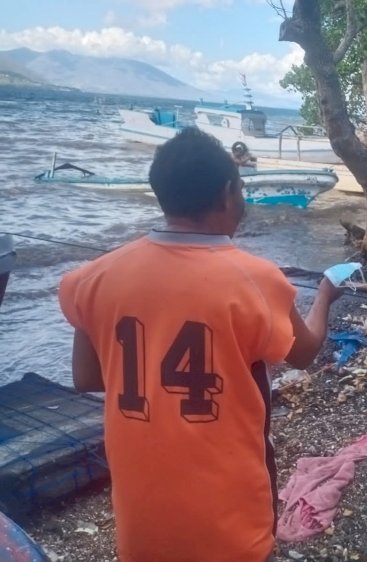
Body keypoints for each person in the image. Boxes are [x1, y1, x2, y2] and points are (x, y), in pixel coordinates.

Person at [58, 127, 342, 562]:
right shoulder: (255, 279)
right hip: (230, 517)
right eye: (242, 188)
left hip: (142, 520)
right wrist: (324, 294)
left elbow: (87, 377)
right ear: (229, 192)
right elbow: (303, 353)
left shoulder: (92, 278)